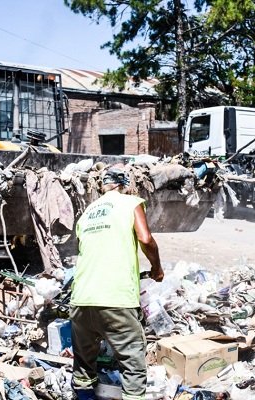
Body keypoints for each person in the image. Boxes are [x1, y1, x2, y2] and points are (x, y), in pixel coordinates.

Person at [70, 167, 164, 400]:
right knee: (132, 363)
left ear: (102, 186)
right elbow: (145, 238)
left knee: (83, 366)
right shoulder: (130, 202)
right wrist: (157, 268)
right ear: (123, 185)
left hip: (81, 300)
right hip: (116, 299)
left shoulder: (87, 212)